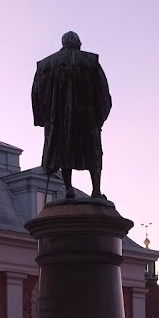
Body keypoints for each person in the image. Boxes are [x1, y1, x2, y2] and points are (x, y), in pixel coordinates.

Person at [31, 31, 112, 199]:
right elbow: (103, 91)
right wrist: (100, 116)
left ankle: (68, 189)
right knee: (93, 152)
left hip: (58, 119)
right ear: (78, 43)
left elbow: (37, 93)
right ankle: (96, 190)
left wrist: (43, 118)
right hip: (86, 117)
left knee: (63, 151)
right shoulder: (90, 61)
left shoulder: (46, 65)